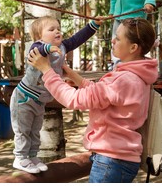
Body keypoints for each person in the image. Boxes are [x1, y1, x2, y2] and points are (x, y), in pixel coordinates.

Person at [27, 18, 162, 183]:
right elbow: (101, 93)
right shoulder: (136, 75)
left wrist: (46, 70)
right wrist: (71, 74)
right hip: (118, 158)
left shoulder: (124, 80)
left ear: (133, 47)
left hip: (112, 160)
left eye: (118, 38)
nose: (113, 40)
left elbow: (74, 99)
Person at [10, 16, 103, 174]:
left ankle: (32, 157)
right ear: (40, 36)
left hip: (39, 101)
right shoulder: (38, 47)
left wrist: (93, 25)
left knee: (35, 130)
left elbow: (77, 39)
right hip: (24, 98)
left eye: (58, 28)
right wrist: (49, 48)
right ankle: (20, 157)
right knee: (23, 130)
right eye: (51, 29)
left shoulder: (63, 46)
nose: (57, 31)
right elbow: (37, 50)